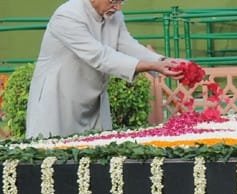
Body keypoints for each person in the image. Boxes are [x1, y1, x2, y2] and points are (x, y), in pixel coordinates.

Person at [26, 0, 184, 138]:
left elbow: (127, 45)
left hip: (92, 101)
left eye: (121, 1)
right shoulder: (67, 15)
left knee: (97, 162)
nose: (118, 7)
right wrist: (152, 65)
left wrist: (163, 61)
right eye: (113, 1)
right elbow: (100, 56)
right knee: (53, 162)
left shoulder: (114, 15)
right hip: (57, 101)